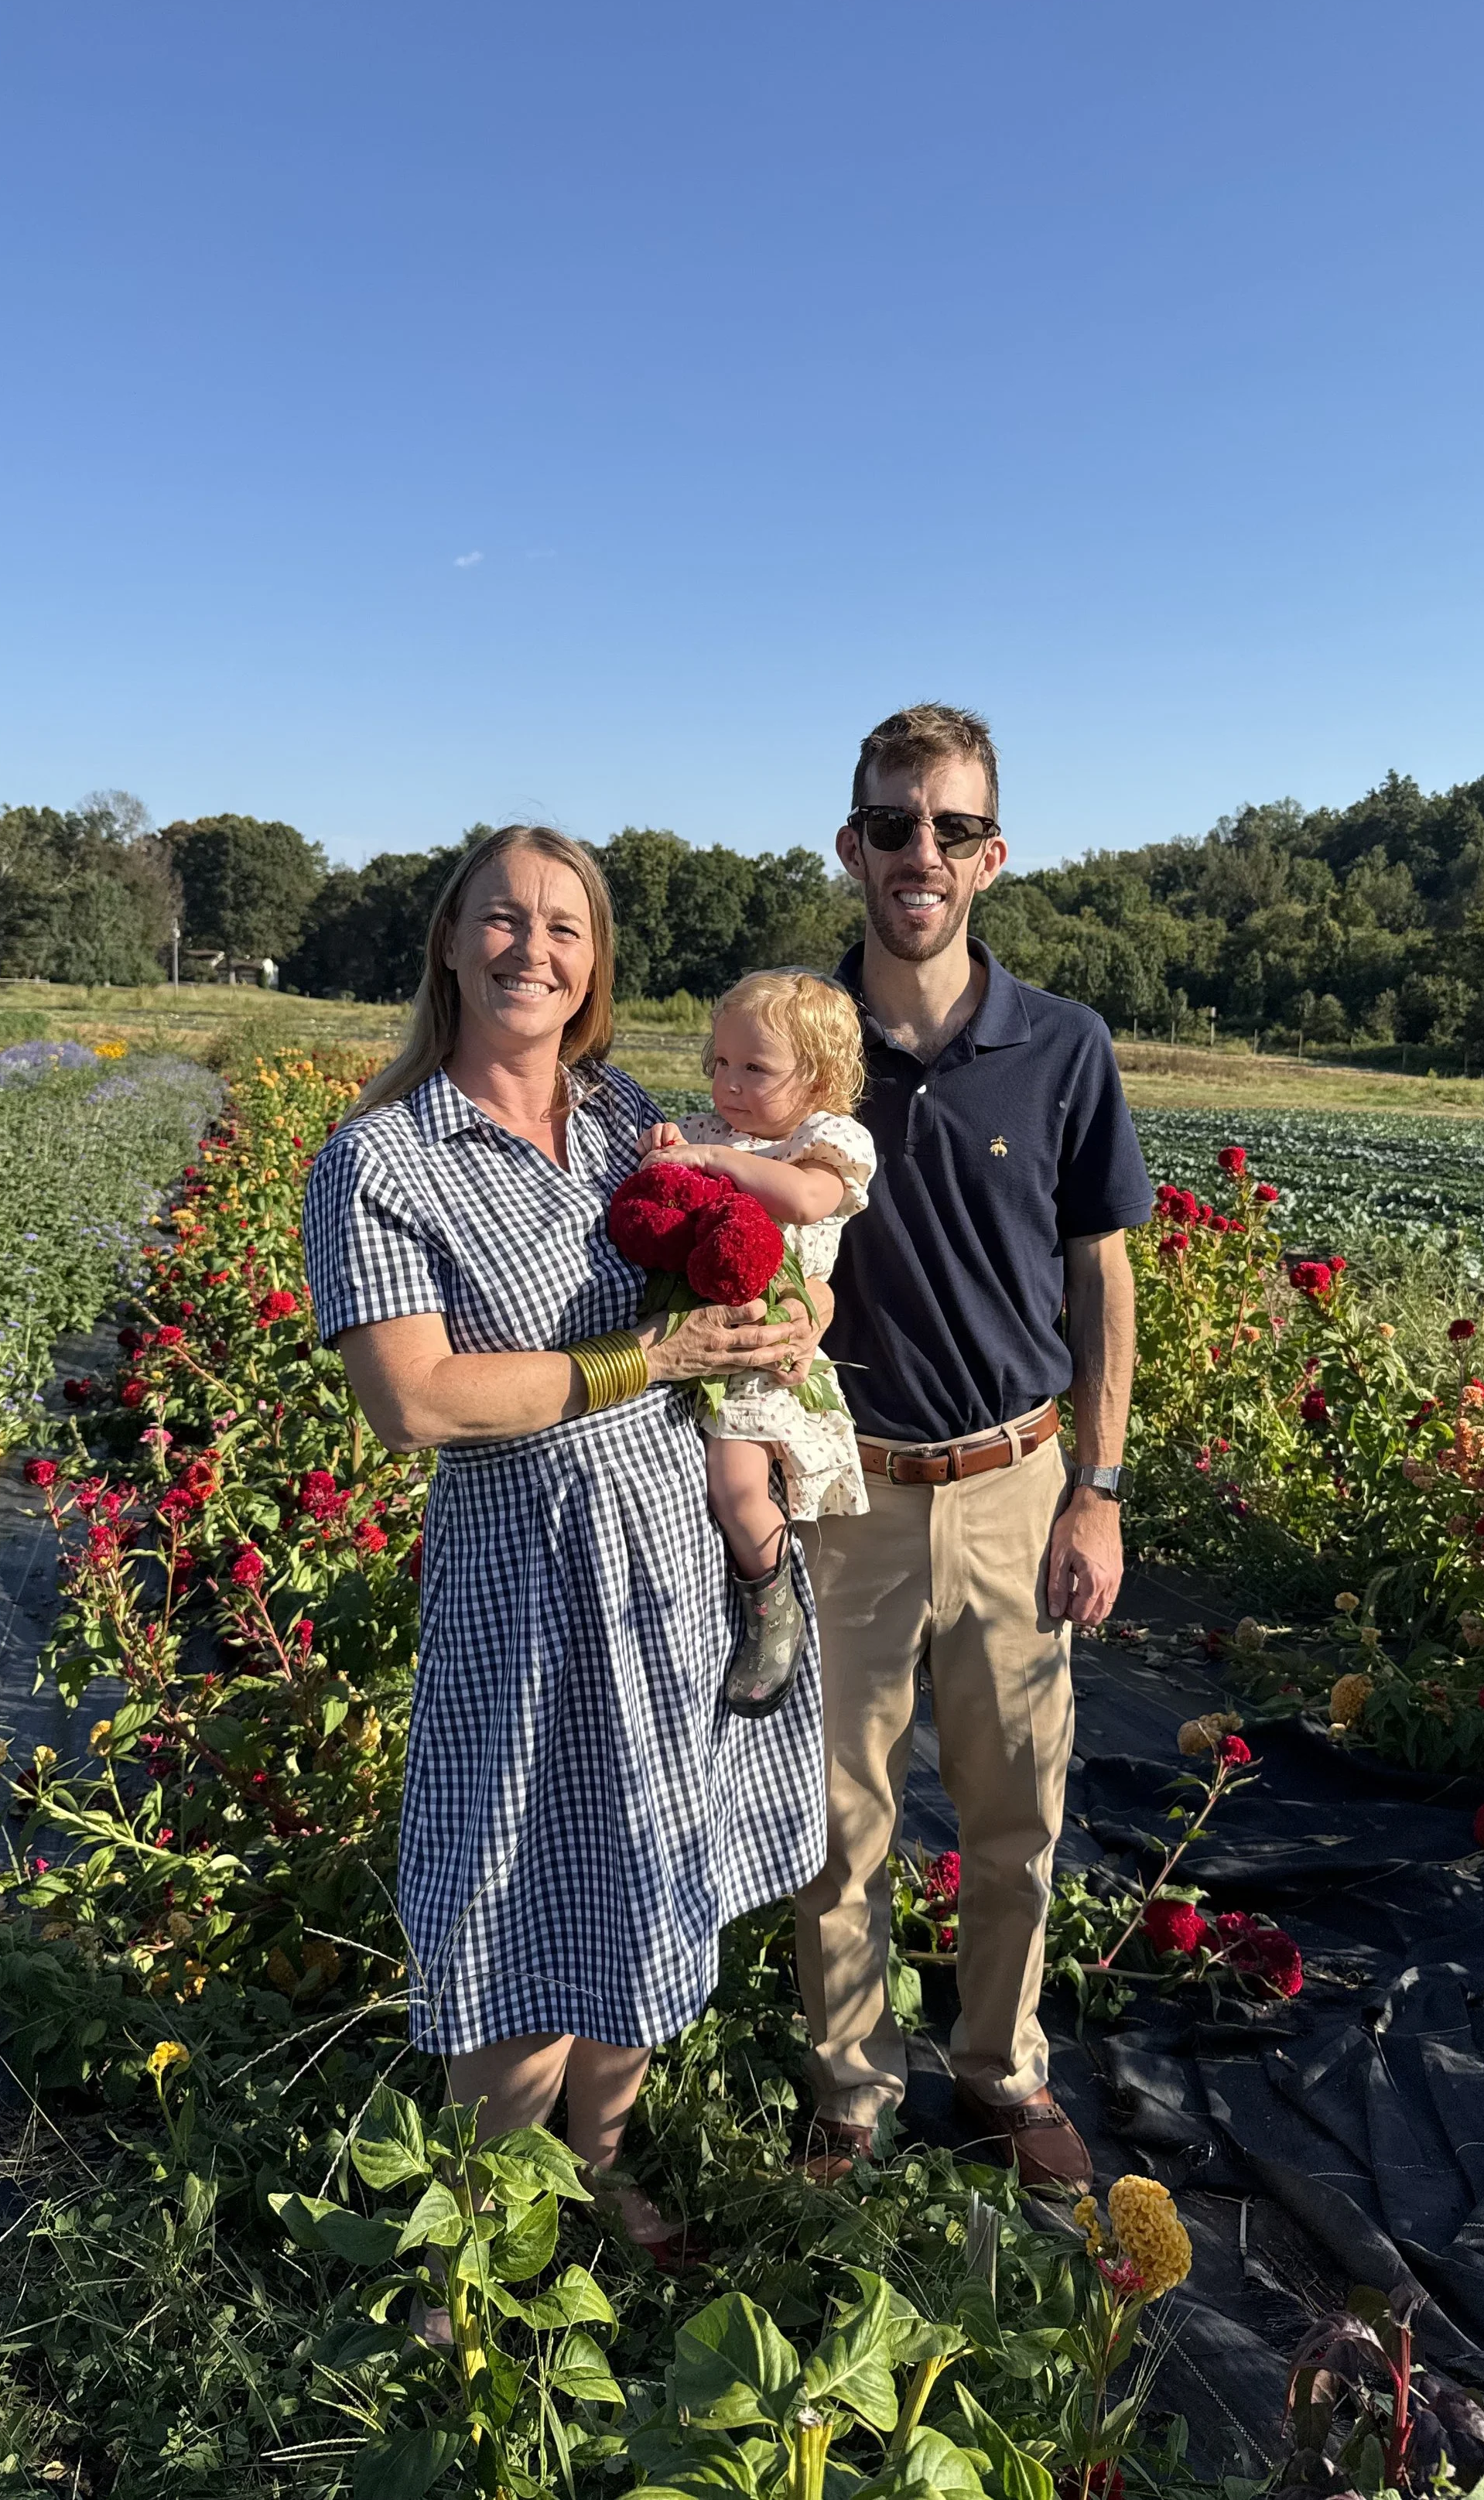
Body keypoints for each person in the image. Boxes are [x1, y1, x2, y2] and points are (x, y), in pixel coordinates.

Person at [301, 824, 826, 2249]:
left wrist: (792, 1317)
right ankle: (482, 2227)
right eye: (504, 918)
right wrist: (646, 1358)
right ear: (451, 943)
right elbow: (411, 1400)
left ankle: (595, 2165)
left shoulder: (624, 1115)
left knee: (647, 1869)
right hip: (526, 1579)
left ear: (593, 963)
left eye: (566, 926)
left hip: (673, 1564)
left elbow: (746, 1259)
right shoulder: (384, 1159)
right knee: (514, 1884)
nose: (533, 948)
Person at [795, 703, 1154, 2194]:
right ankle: (848, 2085)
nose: (918, 851)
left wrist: (1100, 1484)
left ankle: (1001, 2068)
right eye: (892, 822)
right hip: (843, 1486)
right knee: (837, 1818)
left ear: (992, 855)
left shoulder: (1062, 1045)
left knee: (1016, 1810)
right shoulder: (795, 1042)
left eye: (949, 827)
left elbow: (1101, 1272)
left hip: (1014, 1482)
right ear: (850, 847)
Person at [638, 969, 876, 1714]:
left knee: (739, 1489)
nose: (730, 1084)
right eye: (721, 1064)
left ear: (820, 1077)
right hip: (705, 1343)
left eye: (755, 1068)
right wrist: (670, 1151)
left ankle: (776, 1612)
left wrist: (714, 1162)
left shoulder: (826, 1142)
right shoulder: (714, 1133)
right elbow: (677, 1186)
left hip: (769, 1355)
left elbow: (805, 1199)